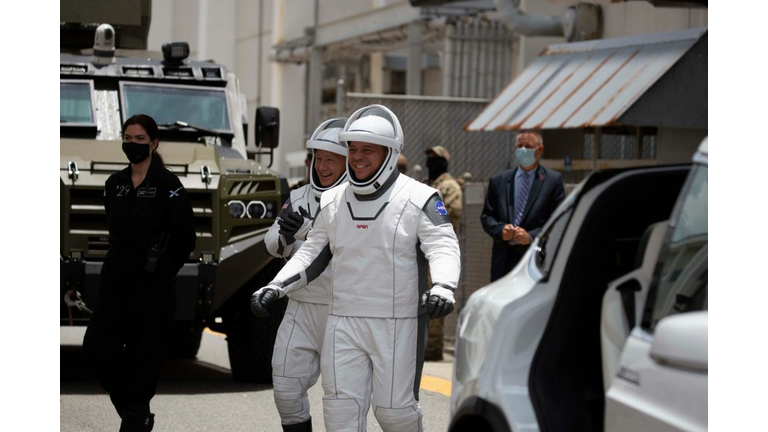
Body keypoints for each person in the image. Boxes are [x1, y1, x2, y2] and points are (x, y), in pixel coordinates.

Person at [251, 105, 461, 431]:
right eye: (352, 149)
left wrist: (444, 287)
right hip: (342, 321)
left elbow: (443, 246)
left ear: (389, 153)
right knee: (340, 415)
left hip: (397, 322)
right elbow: (311, 253)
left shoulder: (420, 197)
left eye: (367, 150)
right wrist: (275, 287)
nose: (358, 157)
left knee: (395, 413)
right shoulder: (332, 201)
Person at [83, 114, 196, 432]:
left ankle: (135, 418)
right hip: (116, 279)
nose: (132, 145)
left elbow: (185, 237)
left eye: (139, 140)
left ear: (154, 143)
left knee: (143, 358)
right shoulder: (113, 185)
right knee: (97, 349)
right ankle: (134, 413)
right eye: (127, 138)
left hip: (153, 283)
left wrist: (161, 272)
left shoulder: (168, 185)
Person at [261, 117, 348, 432]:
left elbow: (349, 250)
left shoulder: (357, 200)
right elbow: (272, 243)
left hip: (341, 311)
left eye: (331, 160)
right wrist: (284, 235)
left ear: (347, 162)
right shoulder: (299, 195)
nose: (323, 166)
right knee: (285, 389)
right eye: (319, 159)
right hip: (299, 305)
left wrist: (308, 230)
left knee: (341, 404)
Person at [481, 130, 565, 282]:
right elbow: (487, 216)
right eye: (520, 146)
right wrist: (501, 230)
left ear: (539, 150)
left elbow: (558, 220)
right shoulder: (499, 181)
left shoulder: (552, 181)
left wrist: (531, 236)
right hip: (504, 260)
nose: (523, 150)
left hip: (534, 258)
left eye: (528, 146)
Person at [423, 145, 463, 361]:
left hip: (438, 250)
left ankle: (433, 349)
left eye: (435, 159)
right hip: (420, 252)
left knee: (435, 297)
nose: (430, 162)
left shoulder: (449, 187)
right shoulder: (427, 185)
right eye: (429, 158)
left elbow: (451, 214)